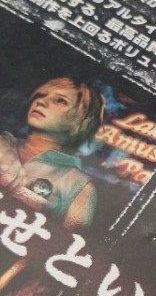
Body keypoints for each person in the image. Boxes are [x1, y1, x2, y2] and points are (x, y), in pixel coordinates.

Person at [0, 77, 104, 230]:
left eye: (60, 101)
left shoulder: (79, 187)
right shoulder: (3, 143)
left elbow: (70, 241)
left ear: (82, 120)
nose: (41, 102)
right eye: (40, 95)